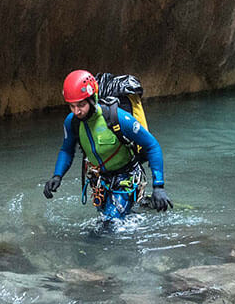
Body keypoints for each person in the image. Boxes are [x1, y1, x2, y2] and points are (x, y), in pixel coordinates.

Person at [43, 70, 170, 220]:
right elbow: (67, 150)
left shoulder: (116, 117)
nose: (76, 111)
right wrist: (57, 176)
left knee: (108, 225)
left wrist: (159, 187)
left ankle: (140, 202)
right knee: (109, 219)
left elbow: (152, 146)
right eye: (72, 106)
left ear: (93, 98)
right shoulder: (72, 122)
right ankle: (143, 205)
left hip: (127, 176)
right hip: (100, 180)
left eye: (81, 105)